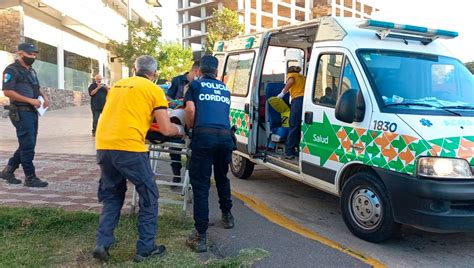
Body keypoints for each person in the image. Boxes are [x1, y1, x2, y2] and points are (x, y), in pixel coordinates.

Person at [92, 55, 184, 263]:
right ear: (155, 74)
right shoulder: (154, 90)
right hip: (130, 147)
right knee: (149, 194)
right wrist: (179, 130)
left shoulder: (117, 86)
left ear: (135, 70)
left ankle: (103, 242)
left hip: (104, 145)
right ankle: (146, 247)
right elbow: (165, 128)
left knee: (113, 194)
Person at [184, 55, 236, 253]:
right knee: (222, 178)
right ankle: (227, 216)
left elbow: (190, 109)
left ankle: (200, 235)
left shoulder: (195, 86)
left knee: (201, 185)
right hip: (224, 138)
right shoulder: (225, 89)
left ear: (199, 70)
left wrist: (190, 128)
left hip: (204, 137)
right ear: (216, 71)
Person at [0, 42, 49, 188]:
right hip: (20, 111)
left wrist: (44, 97)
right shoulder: (11, 70)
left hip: (32, 111)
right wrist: (30, 100)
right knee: (28, 145)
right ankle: (30, 177)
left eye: (34, 54)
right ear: (19, 53)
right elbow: (7, 91)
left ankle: (8, 171)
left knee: (27, 143)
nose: (32, 56)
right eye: (29, 54)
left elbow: (36, 87)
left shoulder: (31, 70)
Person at [167, 61, 200, 185]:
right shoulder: (178, 80)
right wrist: (179, 102)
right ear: (195, 71)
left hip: (191, 120)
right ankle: (176, 174)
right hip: (177, 117)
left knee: (191, 151)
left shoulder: (199, 84)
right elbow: (168, 98)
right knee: (174, 150)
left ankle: (189, 178)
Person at [277, 66, 306, 160]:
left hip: (297, 101)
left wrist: (282, 93)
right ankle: (298, 149)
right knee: (299, 126)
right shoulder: (303, 77)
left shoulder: (291, 75)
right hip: (305, 102)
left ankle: (289, 152)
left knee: (293, 126)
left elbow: (291, 82)